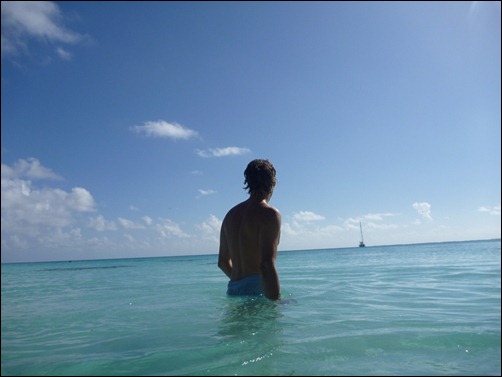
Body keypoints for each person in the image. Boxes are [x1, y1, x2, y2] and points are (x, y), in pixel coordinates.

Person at [218, 159, 281, 300]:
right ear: (273, 183)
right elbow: (266, 264)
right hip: (257, 290)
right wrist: (276, 302)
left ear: (248, 183)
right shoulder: (270, 214)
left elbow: (222, 262)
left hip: (233, 290)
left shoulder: (230, 215)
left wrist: (242, 283)